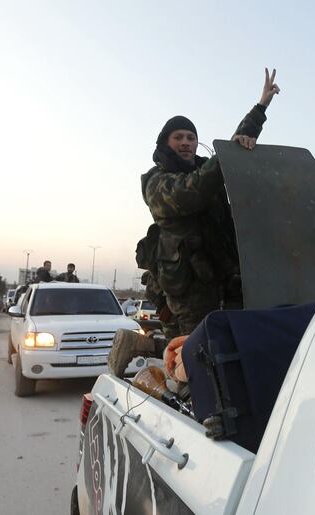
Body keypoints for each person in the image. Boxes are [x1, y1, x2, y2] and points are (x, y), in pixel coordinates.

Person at [109, 69, 281, 377]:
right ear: (165, 143)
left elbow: (231, 153)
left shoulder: (207, 170)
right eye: (179, 138)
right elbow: (192, 192)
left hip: (221, 273)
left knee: (228, 347)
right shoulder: (156, 181)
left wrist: (260, 108)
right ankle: (150, 352)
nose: (186, 143)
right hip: (187, 286)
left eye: (191, 138)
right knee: (196, 358)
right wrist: (227, 155)